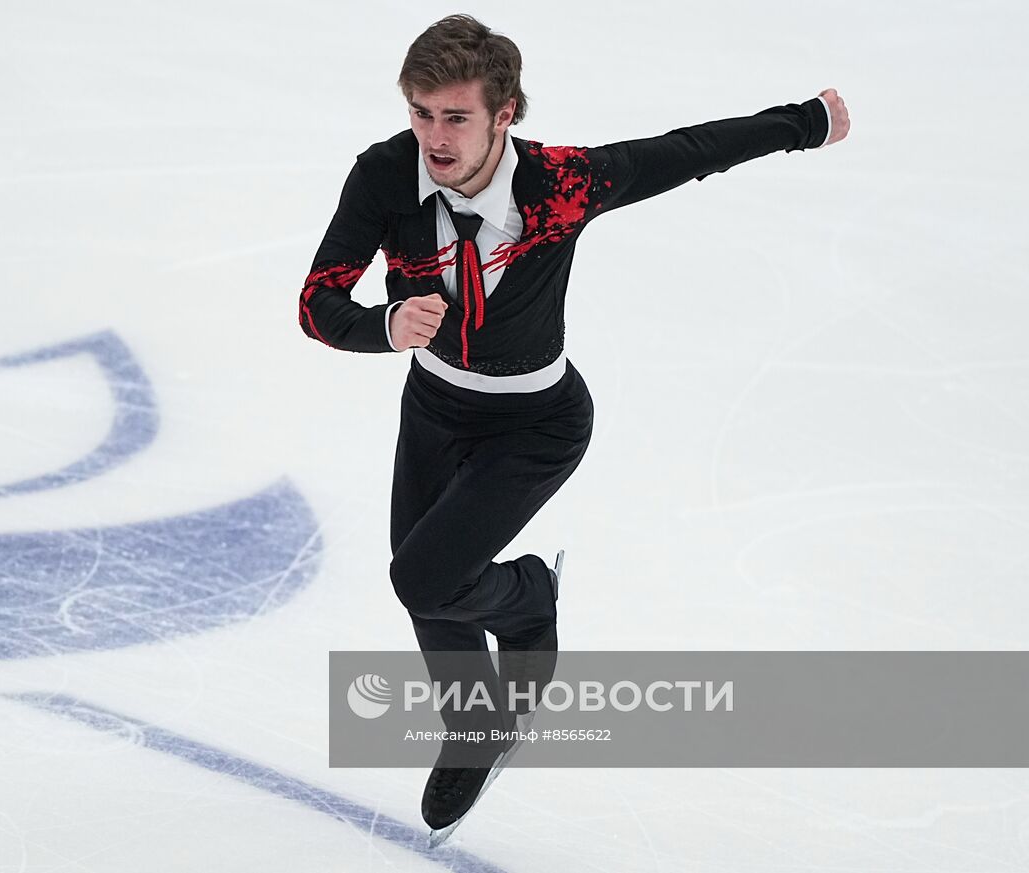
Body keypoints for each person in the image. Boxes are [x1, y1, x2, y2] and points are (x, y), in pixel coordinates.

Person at [297, 13, 850, 836]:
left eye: (455, 116)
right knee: (427, 586)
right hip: (435, 408)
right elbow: (318, 301)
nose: (434, 137)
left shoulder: (559, 185)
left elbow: (684, 151)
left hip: (536, 420)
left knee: (422, 578)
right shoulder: (383, 176)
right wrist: (379, 326)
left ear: (505, 113)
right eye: (420, 112)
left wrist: (804, 123)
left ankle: (529, 601)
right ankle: (476, 727)